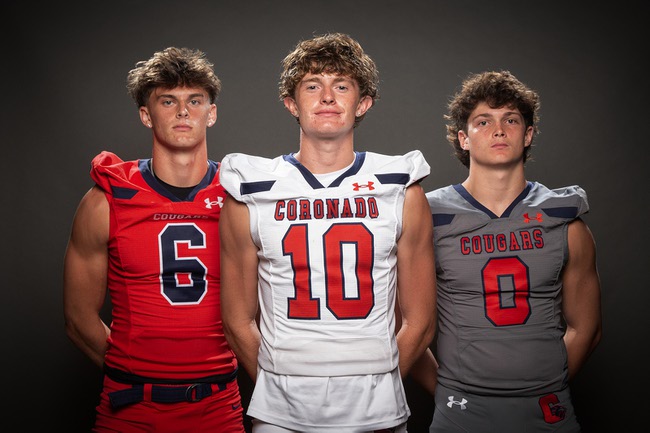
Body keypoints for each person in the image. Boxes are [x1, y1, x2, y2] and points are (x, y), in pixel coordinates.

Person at [218, 33, 437, 433]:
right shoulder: (251, 188)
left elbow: (420, 320)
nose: (327, 97)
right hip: (281, 411)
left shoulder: (400, 187)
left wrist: (381, 382)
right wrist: (277, 382)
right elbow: (236, 319)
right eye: (312, 86)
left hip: (378, 408)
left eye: (342, 86)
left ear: (362, 104)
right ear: (291, 104)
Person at [63, 47, 245, 432]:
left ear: (211, 113)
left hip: (217, 406)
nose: (183, 112)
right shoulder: (108, 200)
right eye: (168, 101)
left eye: (195, 100)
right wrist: (136, 372)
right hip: (130, 407)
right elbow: (79, 318)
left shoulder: (239, 197)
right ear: (147, 115)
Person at [421, 70, 602, 432]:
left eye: (511, 120)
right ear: (464, 139)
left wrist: (546, 383)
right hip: (460, 407)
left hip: (548, 407)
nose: (499, 130)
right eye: (483, 121)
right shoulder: (429, 217)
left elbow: (587, 328)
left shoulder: (562, 217)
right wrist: (446, 390)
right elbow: (404, 320)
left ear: (528, 133)